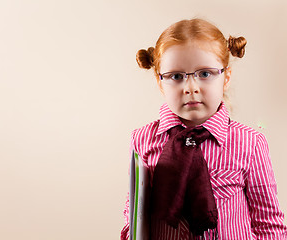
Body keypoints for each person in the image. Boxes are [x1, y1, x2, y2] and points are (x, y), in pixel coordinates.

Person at [121, 18, 287, 240]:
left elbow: (269, 225)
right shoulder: (142, 139)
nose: (191, 88)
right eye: (176, 76)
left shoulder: (250, 143)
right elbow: (134, 212)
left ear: (226, 77)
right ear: (160, 82)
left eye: (205, 74)